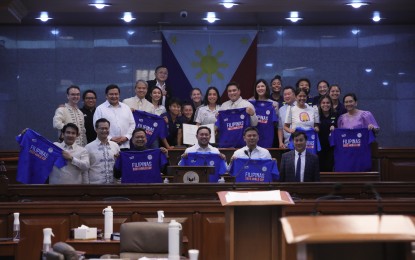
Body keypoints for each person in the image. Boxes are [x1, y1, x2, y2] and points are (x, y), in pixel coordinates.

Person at [93, 84, 135, 150]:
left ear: (119, 95)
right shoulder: (100, 109)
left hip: (125, 146)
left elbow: (132, 124)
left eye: (116, 94)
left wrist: (126, 137)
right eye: (111, 94)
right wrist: (110, 139)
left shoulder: (126, 107)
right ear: (106, 96)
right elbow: (96, 127)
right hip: (107, 146)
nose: (114, 96)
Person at [85, 118, 120, 184]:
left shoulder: (115, 146)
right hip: (96, 186)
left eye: (106, 128)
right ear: (96, 129)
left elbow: (119, 166)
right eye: (102, 128)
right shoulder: (88, 147)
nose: (104, 130)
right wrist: (87, 186)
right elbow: (85, 169)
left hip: (114, 185)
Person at [249, 79, 278, 148]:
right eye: (258, 87)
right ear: (255, 89)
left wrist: (274, 110)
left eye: (262, 86)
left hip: (267, 139)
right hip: (253, 138)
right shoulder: (250, 103)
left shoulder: (273, 104)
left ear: (266, 88)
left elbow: (276, 123)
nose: (260, 88)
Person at [317, 95, 338, 171]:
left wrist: (335, 128)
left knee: (329, 167)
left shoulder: (335, 114)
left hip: (331, 147)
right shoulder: (316, 115)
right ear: (320, 104)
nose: (325, 105)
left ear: (331, 104)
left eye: (328, 103)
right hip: (319, 147)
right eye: (323, 103)